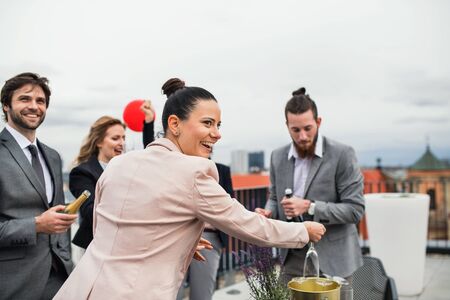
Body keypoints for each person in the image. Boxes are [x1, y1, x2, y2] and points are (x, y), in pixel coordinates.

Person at [54, 78, 326, 299]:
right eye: (208, 123)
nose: (217, 133)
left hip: (81, 287)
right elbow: (248, 225)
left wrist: (175, 241)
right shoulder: (194, 172)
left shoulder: (119, 163)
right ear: (174, 124)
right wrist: (303, 231)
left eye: (218, 125)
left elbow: (106, 226)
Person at [255, 87, 365, 283]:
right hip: (291, 257)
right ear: (287, 125)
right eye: (295, 130)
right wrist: (268, 212)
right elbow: (274, 197)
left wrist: (309, 206)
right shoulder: (277, 156)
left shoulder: (343, 154)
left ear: (318, 122)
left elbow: (355, 210)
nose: (303, 136)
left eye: (308, 128)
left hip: (333, 260)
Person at [0, 72, 77, 299]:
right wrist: (36, 225)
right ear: (6, 105)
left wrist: (66, 261)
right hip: (12, 283)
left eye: (40, 101)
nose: (34, 106)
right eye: (25, 99)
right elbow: (43, 223)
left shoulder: (53, 156)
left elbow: (60, 219)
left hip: (59, 278)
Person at [69, 101, 155, 251]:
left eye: (123, 138)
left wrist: (148, 123)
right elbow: (90, 212)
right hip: (94, 247)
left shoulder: (128, 168)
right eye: (115, 138)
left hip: (126, 244)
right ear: (99, 142)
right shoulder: (82, 173)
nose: (122, 143)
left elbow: (152, 159)